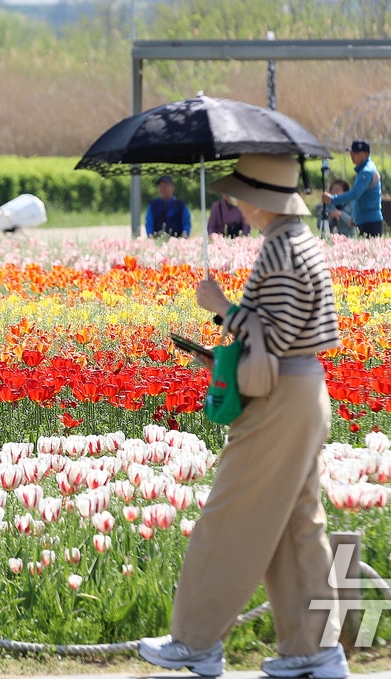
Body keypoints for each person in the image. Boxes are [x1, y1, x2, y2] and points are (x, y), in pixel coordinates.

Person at [138, 154, 347, 679]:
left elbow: (269, 337)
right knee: (296, 526)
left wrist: (221, 306)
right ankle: (313, 649)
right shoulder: (300, 241)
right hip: (302, 389)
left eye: (240, 193)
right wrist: (226, 350)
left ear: (262, 199)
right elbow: (283, 334)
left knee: (229, 516)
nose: (234, 202)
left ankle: (195, 640)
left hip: (278, 400)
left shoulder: (281, 249)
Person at [323, 140, 382, 237]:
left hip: (369, 221)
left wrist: (333, 199)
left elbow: (355, 193)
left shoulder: (366, 171)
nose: (352, 155)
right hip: (365, 220)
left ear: (366, 154)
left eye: (356, 153)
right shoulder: (363, 170)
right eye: (351, 152)